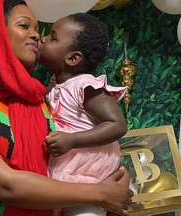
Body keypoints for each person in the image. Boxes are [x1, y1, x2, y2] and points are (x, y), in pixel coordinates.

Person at [0, 0, 133, 215]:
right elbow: (7, 187)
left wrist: (116, 183)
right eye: (24, 26)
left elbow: (86, 163)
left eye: (37, 29)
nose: (37, 35)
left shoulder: (40, 101)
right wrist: (100, 194)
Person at [38, 13, 130, 216]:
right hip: (70, 170)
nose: (42, 39)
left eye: (53, 37)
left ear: (72, 58)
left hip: (88, 173)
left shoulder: (86, 86)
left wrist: (73, 140)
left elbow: (117, 124)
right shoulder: (58, 85)